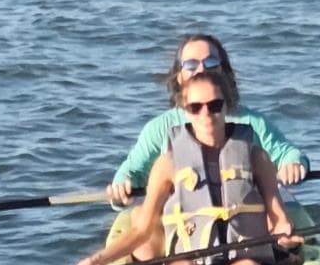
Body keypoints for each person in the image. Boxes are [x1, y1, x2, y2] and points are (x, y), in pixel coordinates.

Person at [72, 71, 301, 265]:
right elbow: (142, 230)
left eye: (214, 105)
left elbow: (279, 218)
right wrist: (97, 261)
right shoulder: (168, 163)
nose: (206, 114)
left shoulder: (256, 157)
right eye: (196, 107)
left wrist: (285, 236)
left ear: (227, 106)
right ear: (184, 109)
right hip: (189, 262)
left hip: (244, 260)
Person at [107, 34, 308, 202]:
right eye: (191, 65)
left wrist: (293, 164)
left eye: (211, 63)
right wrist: (123, 183)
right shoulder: (160, 128)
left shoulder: (252, 122)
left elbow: (287, 153)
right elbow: (133, 169)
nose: (202, 70)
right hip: (182, 221)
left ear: (224, 72)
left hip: (243, 216)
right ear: (179, 77)